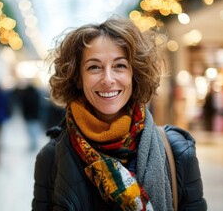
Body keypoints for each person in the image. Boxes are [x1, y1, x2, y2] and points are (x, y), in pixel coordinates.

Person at [32, 17, 207, 210]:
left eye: (120, 66)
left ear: (134, 75)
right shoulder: (50, 158)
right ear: (78, 78)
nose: (108, 79)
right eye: (94, 67)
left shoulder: (178, 152)